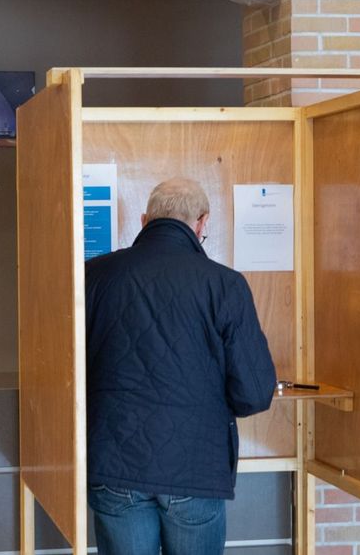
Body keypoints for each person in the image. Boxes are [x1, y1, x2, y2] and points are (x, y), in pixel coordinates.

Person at [84, 177, 278, 555]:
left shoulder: (94, 275)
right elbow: (253, 394)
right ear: (202, 223)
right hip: (194, 468)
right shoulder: (225, 285)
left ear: (144, 220)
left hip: (115, 463)